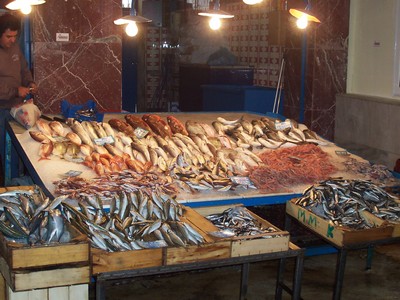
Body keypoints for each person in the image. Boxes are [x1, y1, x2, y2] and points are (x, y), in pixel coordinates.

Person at [0, 12, 37, 185]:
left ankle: (19, 183)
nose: (12, 40)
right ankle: (8, 187)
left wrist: (29, 82)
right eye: (8, 36)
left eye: (15, 36)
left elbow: (23, 68)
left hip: (16, 109)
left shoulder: (15, 48)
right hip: (1, 110)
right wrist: (16, 91)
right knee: (5, 153)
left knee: (23, 149)